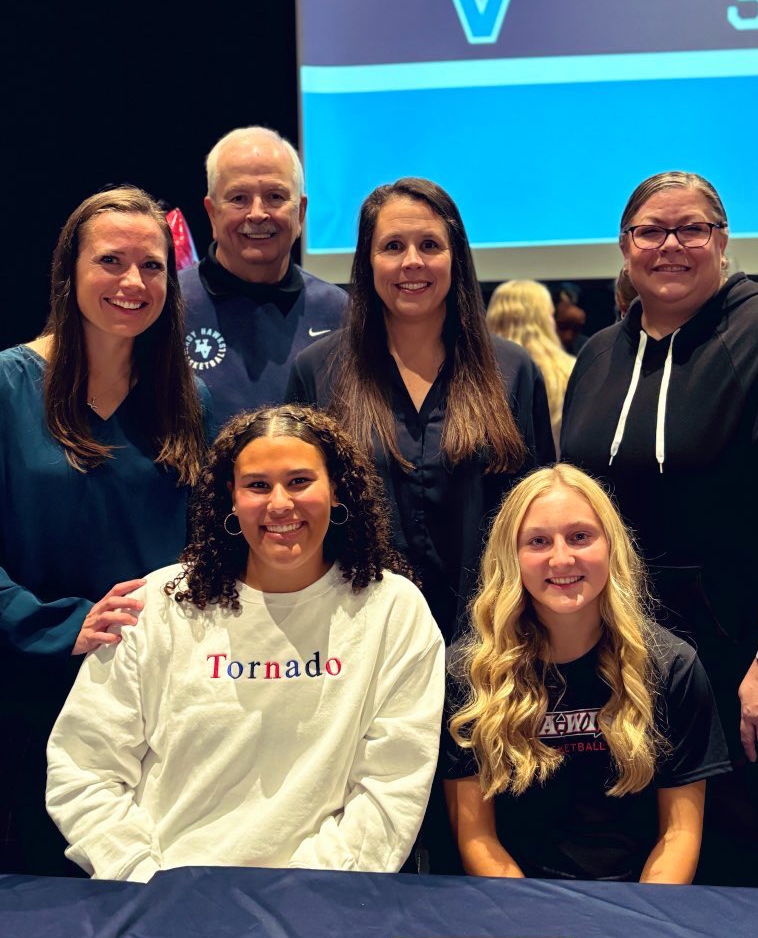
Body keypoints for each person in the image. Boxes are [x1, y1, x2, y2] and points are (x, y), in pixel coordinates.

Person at [46, 405, 445, 881]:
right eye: (257, 485)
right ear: (230, 499)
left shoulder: (393, 610)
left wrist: (312, 893)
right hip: (165, 893)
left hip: (321, 898)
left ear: (336, 489)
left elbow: (392, 785)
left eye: (299, 481)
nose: (280, 504)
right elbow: (83, 769)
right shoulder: (158, 603)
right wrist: (145, 881)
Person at [560, 170, 758, 886]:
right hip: (621, 663)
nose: (670, 245)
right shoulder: (598, 356)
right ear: (625, 247)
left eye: (692, 229)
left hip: (739, 665)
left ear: (723, 240)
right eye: (650, 231)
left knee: (736, 875)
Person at [0, 186, 209, 874]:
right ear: (70, 271)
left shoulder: (190, 402)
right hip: (34, 692)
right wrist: (62, 624)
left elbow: (211, 546)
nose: (133, 282)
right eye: (111, 261)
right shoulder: (8, 387)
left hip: (159, 706)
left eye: (152, 266)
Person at [286, 177, 555, 645]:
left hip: (490, 644)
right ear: (368, 261)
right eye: (393, 246)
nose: (412, 261)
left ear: (456, 257)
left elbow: (539, 517)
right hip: (356, 641)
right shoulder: (318, 372)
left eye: (430, 245)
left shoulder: (512, 371)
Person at [444, 464, 730, 883]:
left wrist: (640, 917)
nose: (561, 558)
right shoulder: (469, 672)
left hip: (639, 897)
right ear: (511, 557)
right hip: (515, 898)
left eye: (580, 536)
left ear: (611, 545)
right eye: (538, 541)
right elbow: (476, 838)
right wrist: (529, 920)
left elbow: (679, 834)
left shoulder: (672, 666)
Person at [180, 126, 348, 428]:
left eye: (275, 196)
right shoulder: (169, 305)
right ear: (212, 213)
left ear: (301, 212)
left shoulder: (338, 311)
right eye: (239, 198)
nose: (257, 214)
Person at [486, 280, 575, 455]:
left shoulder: (474, 373)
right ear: (545, 319)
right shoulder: (568, 371)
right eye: (551, 315)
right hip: (558, 469)